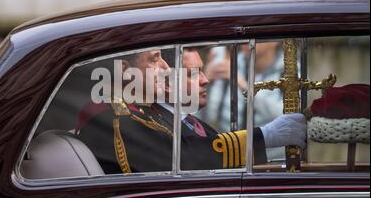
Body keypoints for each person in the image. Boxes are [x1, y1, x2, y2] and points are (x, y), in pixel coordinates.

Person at [76, 48, 306, 174]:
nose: (165, 68)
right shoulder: (115, 117)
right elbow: (181, 161)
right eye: (155, 59)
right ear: (126, 71)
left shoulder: (144, 110)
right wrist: (263, 136)